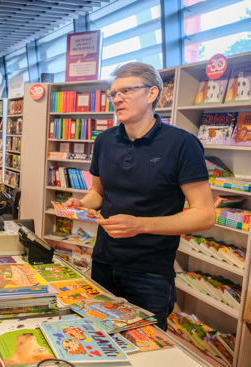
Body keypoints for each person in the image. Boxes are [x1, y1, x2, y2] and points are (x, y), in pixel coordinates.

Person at [64, 62, 215, 331]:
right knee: (98, 337)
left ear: (152, 93)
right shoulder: (105, 141)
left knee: (145, 349)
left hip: (150, 273)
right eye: (113, 94)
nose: (117, 99)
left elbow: (204, 215)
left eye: (126, 91)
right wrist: (82, 204)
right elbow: (98, 192)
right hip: (103, 263)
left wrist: (141, 224)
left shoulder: (182, 144)